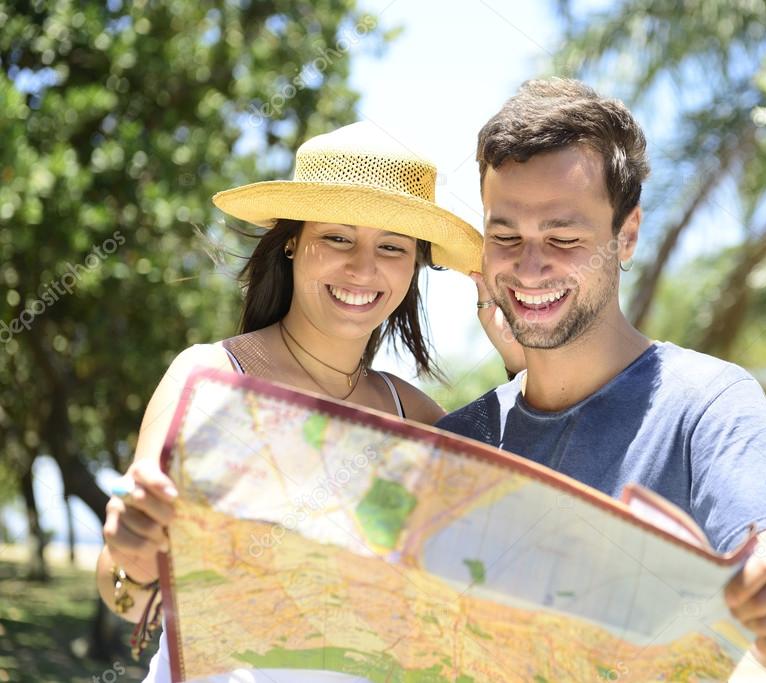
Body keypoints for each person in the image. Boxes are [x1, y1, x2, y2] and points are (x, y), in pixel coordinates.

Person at [438, 78, 766, 672]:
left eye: (563, 236)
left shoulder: (708, 405)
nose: (529, 266)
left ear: (626, 236)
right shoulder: (457, 443)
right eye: (505, 236)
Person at [95, 121, 502, 680]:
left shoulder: (421, 420)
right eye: (337, 237)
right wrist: (134, 566)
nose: (363, 268)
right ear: (292, 240)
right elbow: (126, 603)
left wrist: (516, 354)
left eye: (392, 247)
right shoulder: (209, 378)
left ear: (414, 266)